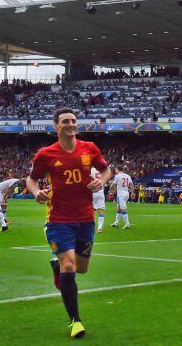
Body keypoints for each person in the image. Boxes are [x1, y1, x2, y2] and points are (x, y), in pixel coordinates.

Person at [25, 107, 112, 338]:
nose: (71, 124)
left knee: (82, 268)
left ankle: (57, 267)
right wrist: (35, 192)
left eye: (73, 120)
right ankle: (76, 321)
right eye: (65, 121)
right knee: (70, 265)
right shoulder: (45, 154)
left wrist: (101, 180)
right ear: (56, 126)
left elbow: (107, 171)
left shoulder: (89, 148)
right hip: (58, 219)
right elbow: (31, 180)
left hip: (85, 218)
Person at [110, 165, 134, 229]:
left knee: (123, 209)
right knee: (119, 208)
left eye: (115, 169)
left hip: (121, 195)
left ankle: (127, 223)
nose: (115, 170)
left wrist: (113, 191)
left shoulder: (117, 176)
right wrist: (132, 193)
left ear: (117, 169)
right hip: (126, 194)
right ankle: (116, 222)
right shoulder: (127, 176)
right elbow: (131, 184)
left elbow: (113, 185)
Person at [90, 167, 106, 232]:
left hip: (92, 192)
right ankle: (100, 228)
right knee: (100, 211)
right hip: (100, 193)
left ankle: (90, 226)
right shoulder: (101, 170)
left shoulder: (90, 170)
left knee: (90, 210)